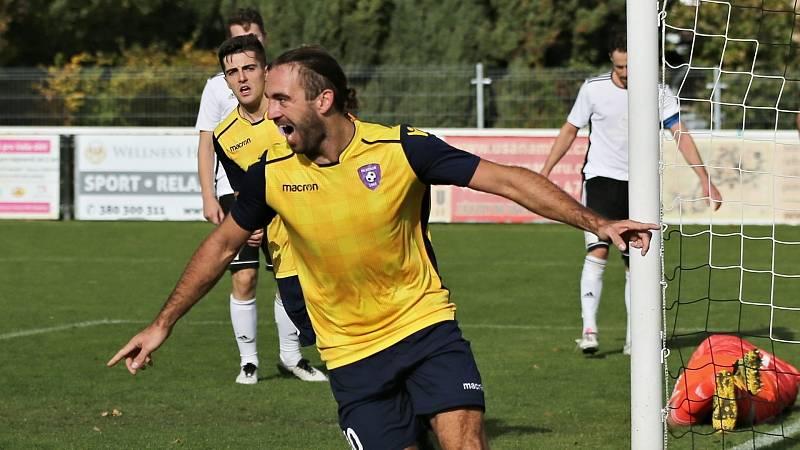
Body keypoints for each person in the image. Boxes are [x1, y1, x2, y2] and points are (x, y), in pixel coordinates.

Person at [109, 45, 657, 449]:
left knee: (466, 443)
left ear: (323, 99)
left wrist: (595, 220)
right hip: (349, 354)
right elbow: (222, 244)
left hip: (425, 329)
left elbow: (507, 179)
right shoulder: (269, 173)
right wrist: (163, 323)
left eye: (281, 98)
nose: (269, 110)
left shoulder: (400, 147)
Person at [541, 32, 723, 356]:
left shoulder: (658, 92)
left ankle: (632, 338)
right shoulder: (593, 89)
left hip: (640, 185)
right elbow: (570, 129)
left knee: (635, 261)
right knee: (597, 251)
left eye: (630, 66)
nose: (625, 73)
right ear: (612, 61)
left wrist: (705, 178)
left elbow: (679, 133)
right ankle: (589, 330)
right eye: (619, 66)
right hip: (600, 178)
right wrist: (545, 172)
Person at [195, 8, 324, 384]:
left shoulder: (288, 114)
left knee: (305, 289)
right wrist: (246, 219)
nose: (241, 78)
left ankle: (292, 357)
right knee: (245, 278)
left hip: (303, 216)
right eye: (232, 72)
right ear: (225, 80)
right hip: (257, 215)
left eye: (248, 69)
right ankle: (249, 361)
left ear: (265, 70)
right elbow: (241, 184)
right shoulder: (224, 135)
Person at [667, 334, 800, 431]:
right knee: (755, 401)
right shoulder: (790, 378)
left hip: (715, 350)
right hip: (763, 382)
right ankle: (722, 386)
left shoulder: (788, 376)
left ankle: (713, 384)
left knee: (679, 412)